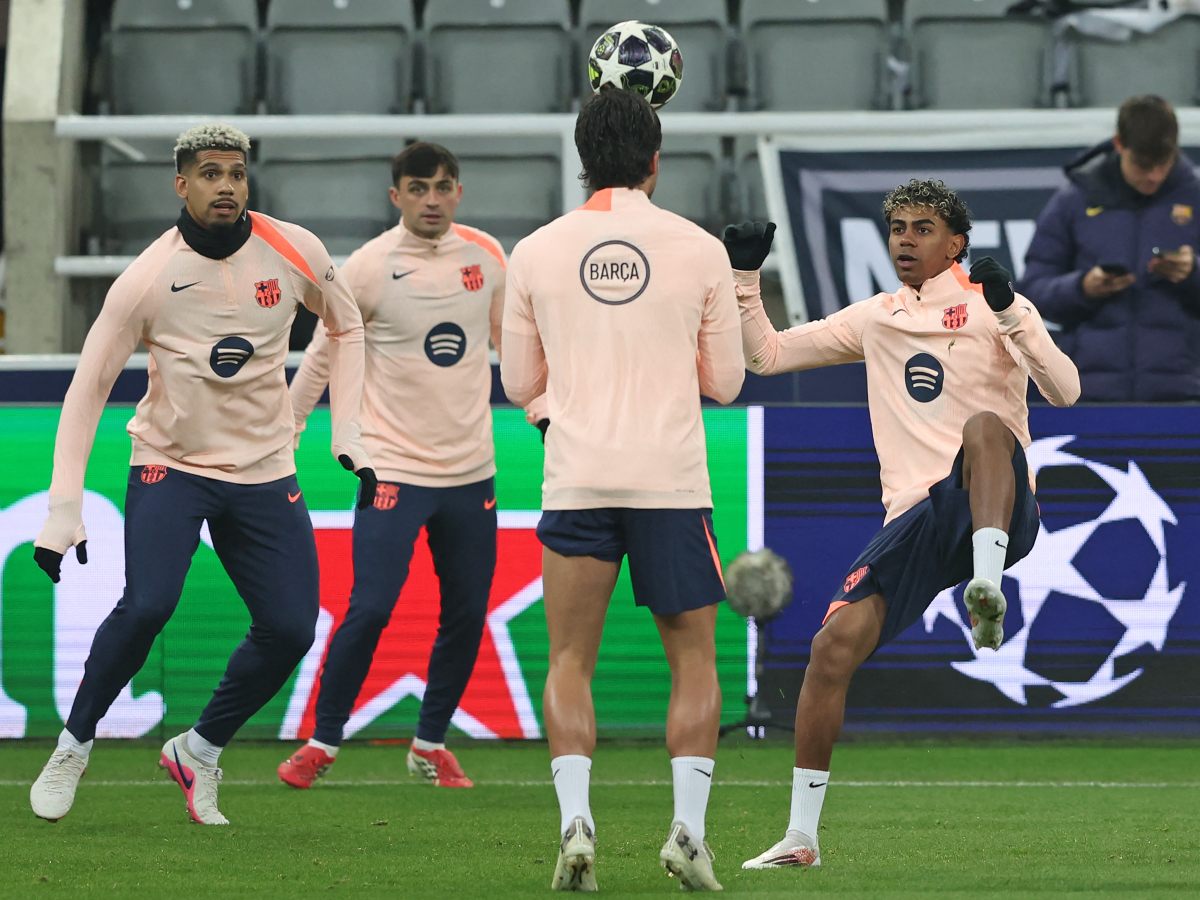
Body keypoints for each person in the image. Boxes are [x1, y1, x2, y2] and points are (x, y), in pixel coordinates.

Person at [28, 123, 374, 826]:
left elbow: (348, 324)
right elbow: (87, 388)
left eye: (237, 174)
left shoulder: (294, 250)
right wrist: (65, 506)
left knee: (290, 627)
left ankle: (200, 748)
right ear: (181, 184)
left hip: (263, 468)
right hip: (172, 464)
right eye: (211, 174)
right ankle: (73, 744)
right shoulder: (147, 280)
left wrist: (349, 429)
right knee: (149, 604)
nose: (227, 186)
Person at [732, 180, 1080, 870]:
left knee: (984, 428)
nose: (905, 241)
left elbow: (1065, 389)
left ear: (957, 243)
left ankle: (988, 591)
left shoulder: (995, 307)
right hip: (918, 519)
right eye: (896, 228)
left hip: (1001, 505)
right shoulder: (878, 318)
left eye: (923, 229)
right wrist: (746, 278)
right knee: (832, 648)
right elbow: (765, 356)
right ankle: (802, 836)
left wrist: (1012, 311)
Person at [500, 88, 744, 892]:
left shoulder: (533, 252)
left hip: (578, 478)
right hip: (670, 481)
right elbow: (729, 382)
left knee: (570, 658)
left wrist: (569, 405)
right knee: (694, 660)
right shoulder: (701, 249)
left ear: (581, 161)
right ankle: (688, 834)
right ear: (655, 160)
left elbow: (520, 384)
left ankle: (575, 825)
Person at [278, 142, 530, 790]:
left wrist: (551, 409)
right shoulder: (366, 268)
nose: (432, 200)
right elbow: (325, 353)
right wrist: (288, 423)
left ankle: (429, 743)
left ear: (459, 192)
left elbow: (515, 353)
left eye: (444, 187)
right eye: (418, 188)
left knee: (468, 612)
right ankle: (323, 740)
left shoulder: (487, 259)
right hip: (390, 468)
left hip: (471, 471)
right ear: (396, 197)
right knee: (370, 607)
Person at [1018, 94, 1199, 400]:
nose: (1153, 176)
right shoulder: (1074, 201)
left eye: (1162, 163)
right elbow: (1031, 294)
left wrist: (1193, 273)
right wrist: (1082, 288)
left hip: (1184, 398)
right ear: (1119, 145)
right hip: (1090, 398)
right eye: (1143, 165)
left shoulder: (1195, 198)